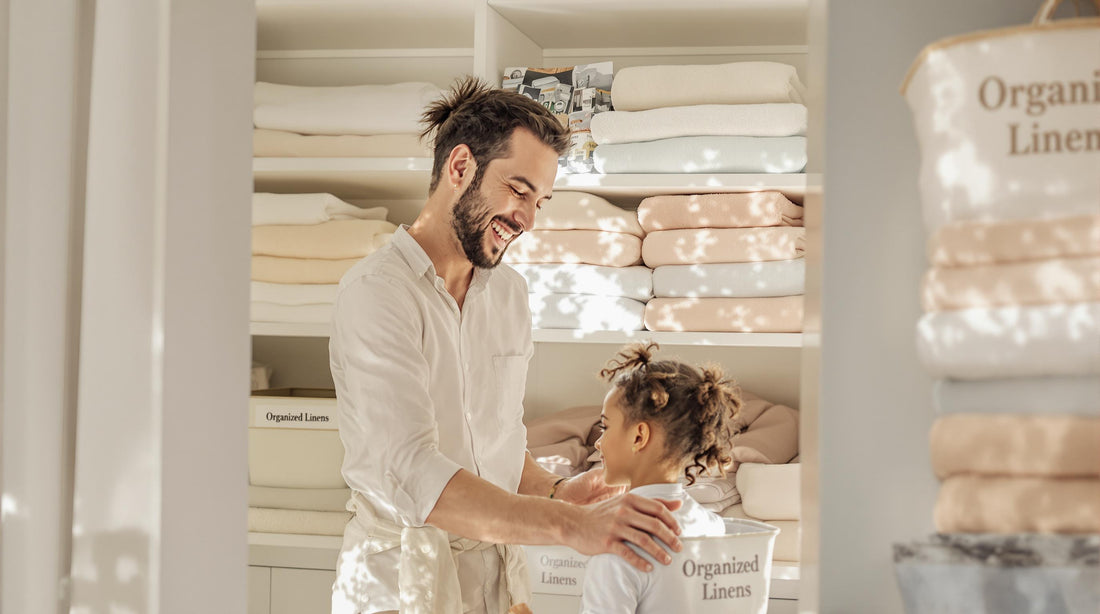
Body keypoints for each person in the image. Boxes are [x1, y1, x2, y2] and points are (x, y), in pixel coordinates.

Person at [329, 77, 684, 614]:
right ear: (459, 168)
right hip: (403, 583)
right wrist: (569, 524)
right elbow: (411, 471)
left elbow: (494, 444)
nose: (529, 220)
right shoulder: (378, 293)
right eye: (519, 192)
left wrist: (556, 492)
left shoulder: (510, 295)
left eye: (540, 201)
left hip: (500, 579)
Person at [579, 343, 743, 613]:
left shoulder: (617, 545)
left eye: (605, 427)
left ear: (639, 436)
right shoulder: (713, 526)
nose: (598, 443)